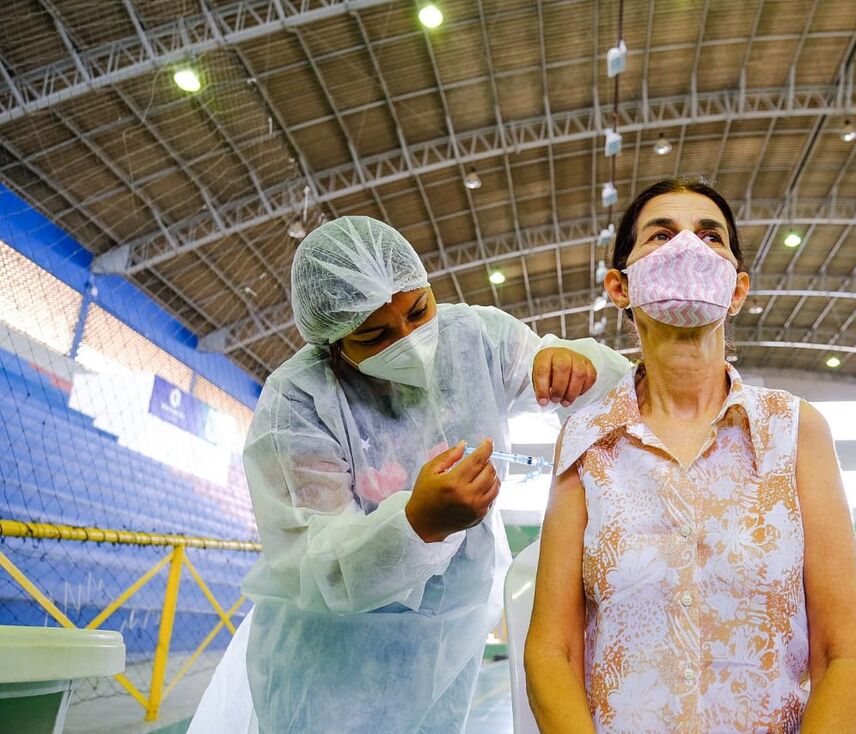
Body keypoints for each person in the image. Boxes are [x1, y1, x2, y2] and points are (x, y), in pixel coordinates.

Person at [215, 216, 630, 734]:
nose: (410, 339)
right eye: (374, 335)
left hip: (446, 650)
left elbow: (612, 388)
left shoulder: (474, 339)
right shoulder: (300, 402)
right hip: (329, 670)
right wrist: (417, 524)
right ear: (333, 343)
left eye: (418, 310)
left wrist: (572, 364)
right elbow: (317, 564)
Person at [524, 178, 856, 733]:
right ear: (620, 286)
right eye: (661, 235)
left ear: (736, 290)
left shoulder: (794, 430)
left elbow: (846, 654)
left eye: (711, 236)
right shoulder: (586, 439)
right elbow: (553, 653)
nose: (688, 246)